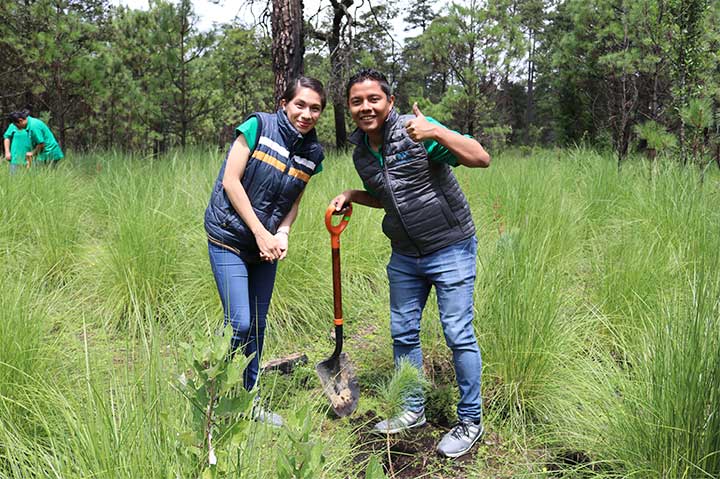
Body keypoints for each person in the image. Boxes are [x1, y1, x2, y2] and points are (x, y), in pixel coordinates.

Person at [329, 69, 491, 458]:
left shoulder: (418, 131)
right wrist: (354, 193)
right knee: (403, 332)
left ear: (389, 102)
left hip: (450, 246)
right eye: (357, 101)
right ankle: (412, 408)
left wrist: (436, 132)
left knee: (457, 333)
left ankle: (471, 420)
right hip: (404, 255)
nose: (365, 106)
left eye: (373, 99)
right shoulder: (361, 154)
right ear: (349, 108)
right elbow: (390, 196)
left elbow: (480, 157)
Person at [204, 76, 327, 427]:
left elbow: (293, 201)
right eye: (300, 104)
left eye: (315, 108)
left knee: (257, 325)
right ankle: (211, 391)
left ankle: (248, 399)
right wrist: (260, 232)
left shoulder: (313, 153)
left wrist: (283, 233)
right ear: (285, 102)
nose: (306, 113)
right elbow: (230, 182)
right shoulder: (258, 126)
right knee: (239, 322)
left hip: (266, 246)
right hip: (229, 236)